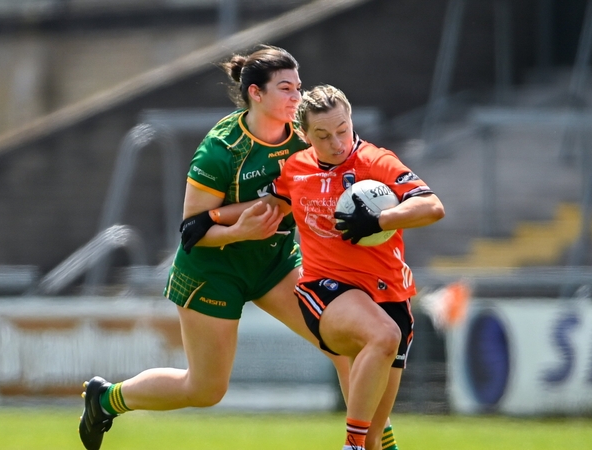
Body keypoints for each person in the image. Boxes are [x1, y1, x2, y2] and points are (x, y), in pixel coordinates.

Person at [78, 45, 356, 450]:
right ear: (256, 94)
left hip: (274, 263)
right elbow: (191, 229)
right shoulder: (222, 149)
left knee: (345, 345)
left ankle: (369, 444)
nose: (297, 97)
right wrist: (236, 232)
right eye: (285, 88)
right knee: (206, 390)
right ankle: (105, 400)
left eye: (298, 87)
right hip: (213, 270)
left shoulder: (305, 133)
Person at [210, 85, 445, 450]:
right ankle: (349, 446)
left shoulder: (377, 162)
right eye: (322, 135)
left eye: (342, 130)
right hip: (327, 292)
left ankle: (360, 444)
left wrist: (382, 220)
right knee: (382, 338)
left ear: (351, 121)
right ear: (304, 136)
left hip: (391, 297)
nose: (336, 142)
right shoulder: (296, 169)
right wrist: (207, 218)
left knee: (376, 439)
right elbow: (266, 207)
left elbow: (432, 206)